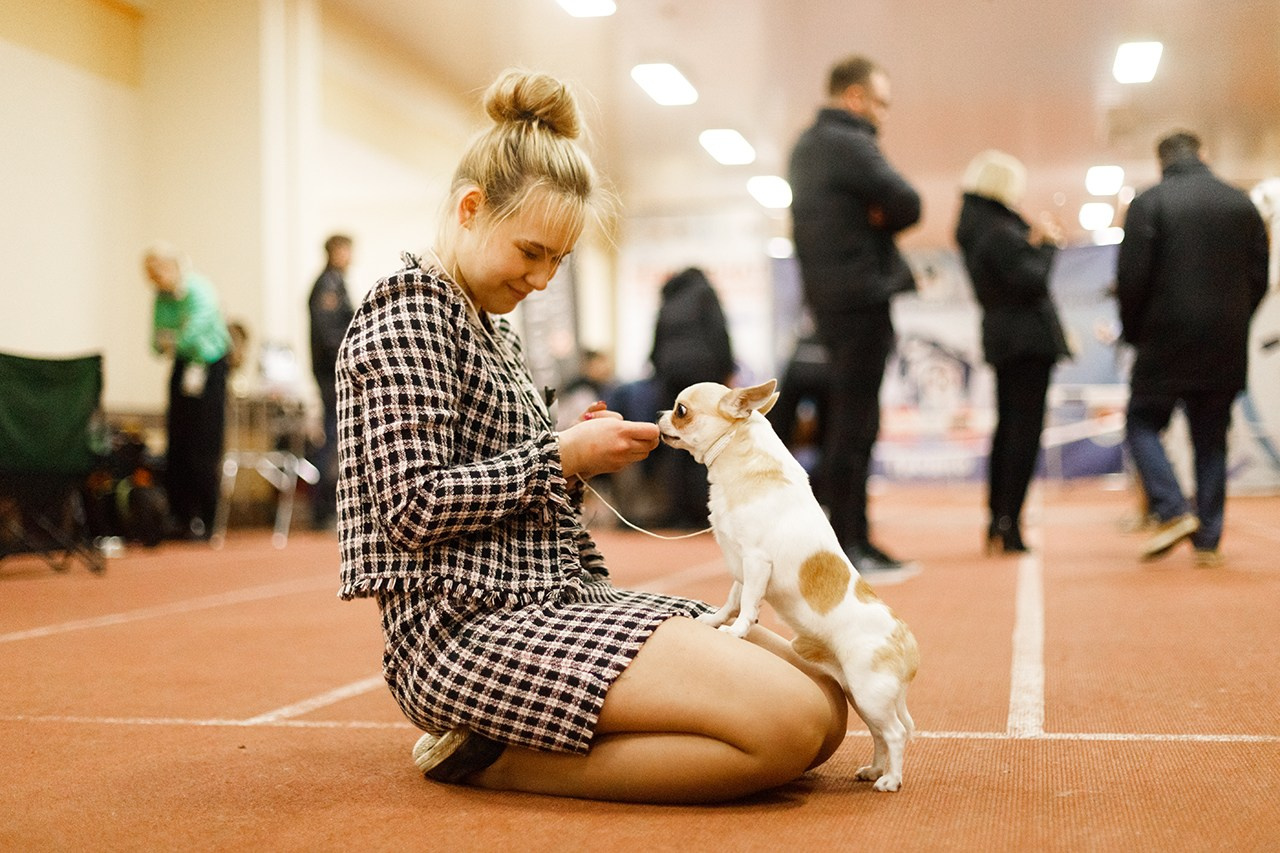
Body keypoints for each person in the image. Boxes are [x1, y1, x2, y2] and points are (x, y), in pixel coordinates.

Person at [335, 69, 847, 804]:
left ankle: (538, 732)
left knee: (825, 704)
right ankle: (490, 758)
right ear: (471, 208)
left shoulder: (490, 328)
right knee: (789, 728)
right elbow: (411, 505)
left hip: (553, 598)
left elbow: (513, 492)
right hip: (464, 633)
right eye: (532, 251)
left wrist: (567, 462)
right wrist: (559, 456)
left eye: (559, 261)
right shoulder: (406, 315)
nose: (543, 279)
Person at [788, 55, 922, 574]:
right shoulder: (848, 141)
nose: (883, 115)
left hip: (829, 301)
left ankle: (851, 540)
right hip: (861, 297)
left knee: (844, 426)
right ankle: (852, 545)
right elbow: (909, 203)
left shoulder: (805, 147)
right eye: (880, 103)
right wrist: (881, 217)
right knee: (855, 427)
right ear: (854, 97)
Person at [1116, 130, 1269, 565]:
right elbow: (1257, 276)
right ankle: (1209, 542)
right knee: (1211, 439)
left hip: (1164, 335)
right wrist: (1237, 317)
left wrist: (1134, 331)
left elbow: (1132, 278)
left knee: (1141, 422)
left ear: (1161, 161)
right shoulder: (1241, 204)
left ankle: (1172, 508)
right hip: (1224, 339)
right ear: (1203, 154)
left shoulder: (1149, 203)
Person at [954, 150, 1071, 554]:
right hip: (1026, 341)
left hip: (1005, 338)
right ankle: (1010, 524)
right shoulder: (999, 230)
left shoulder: (977, 227)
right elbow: (1031, 280)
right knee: (1023, 434)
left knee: (1009, 431)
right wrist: (1047, 246)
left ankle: (999, 519)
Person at [144, 242, 232, 540]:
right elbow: (156, 342)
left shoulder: (199, 289)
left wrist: (175, 340)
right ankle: (179, 516)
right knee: (178, 441)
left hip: (209, 367)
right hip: (183, 368)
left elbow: (192, 332)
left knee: (204, 445)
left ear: (171, 266)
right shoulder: (161, 297)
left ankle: (206, 518)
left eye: (156, 272)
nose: (152, 280)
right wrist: (174, 341)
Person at [648, 266, 734, 528]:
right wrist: (727, 369)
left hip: (670, 376)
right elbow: (719, 333)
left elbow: (655, 343)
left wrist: (661, 370)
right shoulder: (705, 294)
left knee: (675, 441)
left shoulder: (669, 300)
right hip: (702, 374)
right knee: (703, 439)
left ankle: (677, 510)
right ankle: (702, 511)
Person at [308, 234, 355, 531]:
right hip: (331, 374)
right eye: (348, 251)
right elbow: (329, 335)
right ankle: (322, 508)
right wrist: (350, 360)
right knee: (332, 441)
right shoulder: (327, 284)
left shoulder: (336, 282)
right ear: (335, 251)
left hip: (332, 373)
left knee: (335, 439)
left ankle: (326, 507)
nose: (351, 257)